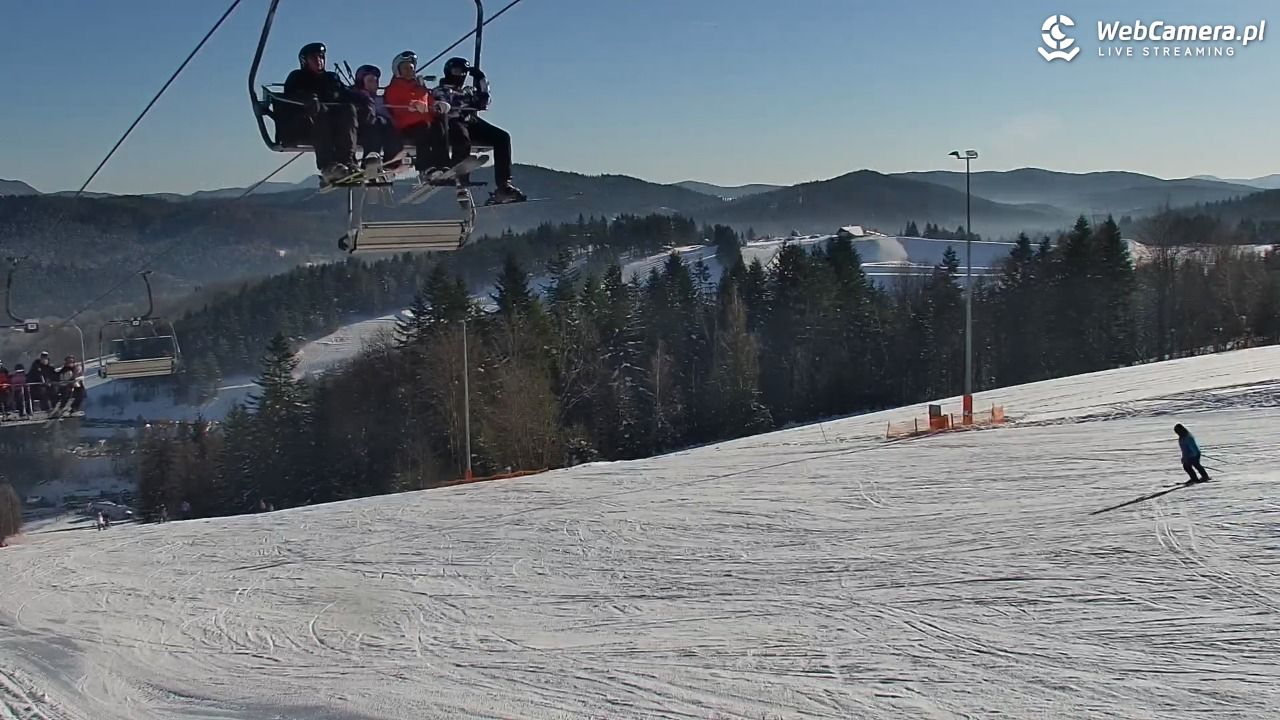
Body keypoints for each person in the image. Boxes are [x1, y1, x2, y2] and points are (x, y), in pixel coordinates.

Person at [434, 56, 525, 204]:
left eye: (464, 72)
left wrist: (481, 80)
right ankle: (457, 171)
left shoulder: (467, 91)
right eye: (457, 71)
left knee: (502, 137)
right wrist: (468, 99)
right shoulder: (439, 90)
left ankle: (504, 185)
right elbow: (447, 102)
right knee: (463, 139)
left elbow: (484, 101)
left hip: (470, 120)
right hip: (451, 121)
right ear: (448, 71)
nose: (461, 76)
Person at [281, 42, 368, 185]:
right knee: (322, 110)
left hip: (335, 124)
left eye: (321, 57)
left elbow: (346, 93)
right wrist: (307, 100)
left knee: (349, 109)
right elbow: (289, 97)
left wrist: (364, 99)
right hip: (307, 123)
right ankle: (327, 165)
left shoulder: (331, 78)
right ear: (305, 61)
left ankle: (347, 161)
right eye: (314, 58)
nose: (319, 61)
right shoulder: (297, 78)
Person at [384, 50, 452, 185]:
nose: (409, 71)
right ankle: (425, 167)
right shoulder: (394, 88)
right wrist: (412, 105)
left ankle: (443, 164)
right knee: (424, 129)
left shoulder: (421, 88)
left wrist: (438, 105)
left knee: (439, 126)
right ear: (398, 71)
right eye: (405, 68)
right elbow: (393, 105)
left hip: (425, 121)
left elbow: (430, 102)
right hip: (406, 124)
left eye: (411, 68)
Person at [350, 64, 405, 174]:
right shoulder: (355, 97)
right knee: (377, 122)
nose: (374, 84)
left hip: (380, 130)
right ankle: (370, 160)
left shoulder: (380, 100)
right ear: (362, 82)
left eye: (376, 81)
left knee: (388, 125)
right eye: (370, 81)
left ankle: (390, 162)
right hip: (361, 129)